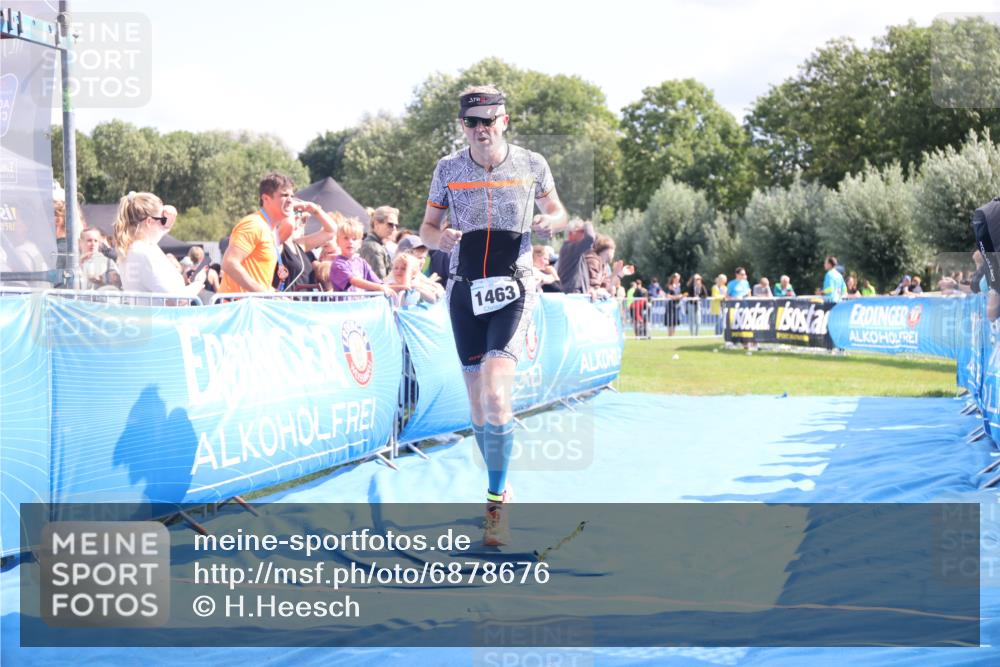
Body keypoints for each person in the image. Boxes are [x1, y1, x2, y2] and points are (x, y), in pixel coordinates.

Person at [419, 84, 568, 545]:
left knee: (497, 397)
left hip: (514, 287)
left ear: (505, 120)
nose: (481, 129)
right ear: (462, 126)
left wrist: (551, 222)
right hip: (464, 293)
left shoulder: (532, 164)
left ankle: (495, 502)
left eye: (489, 120)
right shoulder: (447, 169)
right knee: (479, 406)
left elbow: (559, 212)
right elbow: (426, 226)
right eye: (472, 122)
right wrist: (435, 239)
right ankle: (501, 485)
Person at [114, 192, 205, 296]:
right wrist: (198, 284)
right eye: (162, 220)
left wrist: (166, 216)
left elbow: (163, 228)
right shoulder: (144, 253)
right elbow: (175, 300)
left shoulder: (132, 249)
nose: (164, 224)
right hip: (158, 312)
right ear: (149, 222)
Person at [219, 172, 296, 293]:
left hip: (253, 306)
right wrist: (263, 293)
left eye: (292, 196)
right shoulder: (253, 225)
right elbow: (229, 263)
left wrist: (275, 295)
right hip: (238, 307)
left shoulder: (270, 229)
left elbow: (258, 279)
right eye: (284, 195)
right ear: (266, 198)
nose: (291, 200)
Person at [272, 204, 338, 291]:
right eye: (295, 215)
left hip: (304, 302)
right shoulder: (275, 245)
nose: (298, 220)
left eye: (302, 219)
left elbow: (331, 230)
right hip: (285, 302)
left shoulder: (300, 245)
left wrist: (315, 209)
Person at [329, 217, 397, 298]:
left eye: (354, 239)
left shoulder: (362, 262)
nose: (350, 242)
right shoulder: (338, 264)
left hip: (360, 306)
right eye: (345, 238)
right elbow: (355, 281)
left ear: (360, 243)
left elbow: (378, 282)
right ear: (337, 242)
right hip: (344, 308)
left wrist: (395, 287)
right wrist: (380, 287)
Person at [555, 218, 595, 294]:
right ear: (571, 233)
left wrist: (588, 289)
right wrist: (587, 224)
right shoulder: (569, 249)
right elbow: (590, 239)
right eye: (582, 231)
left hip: (575, 294)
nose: (584, 234)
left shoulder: (575, 250)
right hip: (572, 295)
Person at [360, 206, 398, 279]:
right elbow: (380, 281)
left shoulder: (377, 245)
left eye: (396, 225)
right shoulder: (374, 248)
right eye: (390, 224)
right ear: (376, 223)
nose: (394, 228)